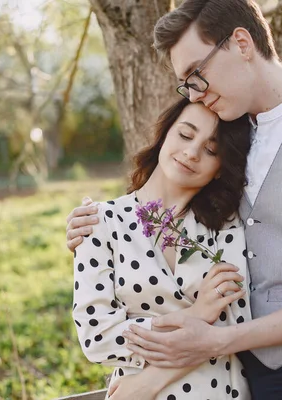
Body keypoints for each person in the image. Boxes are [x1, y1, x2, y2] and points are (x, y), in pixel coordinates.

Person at [66, 0, 282, 398]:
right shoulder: (235, 130)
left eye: (197, 73)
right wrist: (95, 224)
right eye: (186, 83)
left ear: (241, 43)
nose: (195, 92)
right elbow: (163, 207)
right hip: (243, 374)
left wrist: (212, 343)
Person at [72, 98, 254, 399]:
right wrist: (199, 315)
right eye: (185, 134)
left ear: (221, 168)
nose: (191, 153)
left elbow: (237, 323)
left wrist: (150, 381)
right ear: (165, 134)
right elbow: (98, 337)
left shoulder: (226, 223)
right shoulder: (100, 222)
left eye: (211, 150)